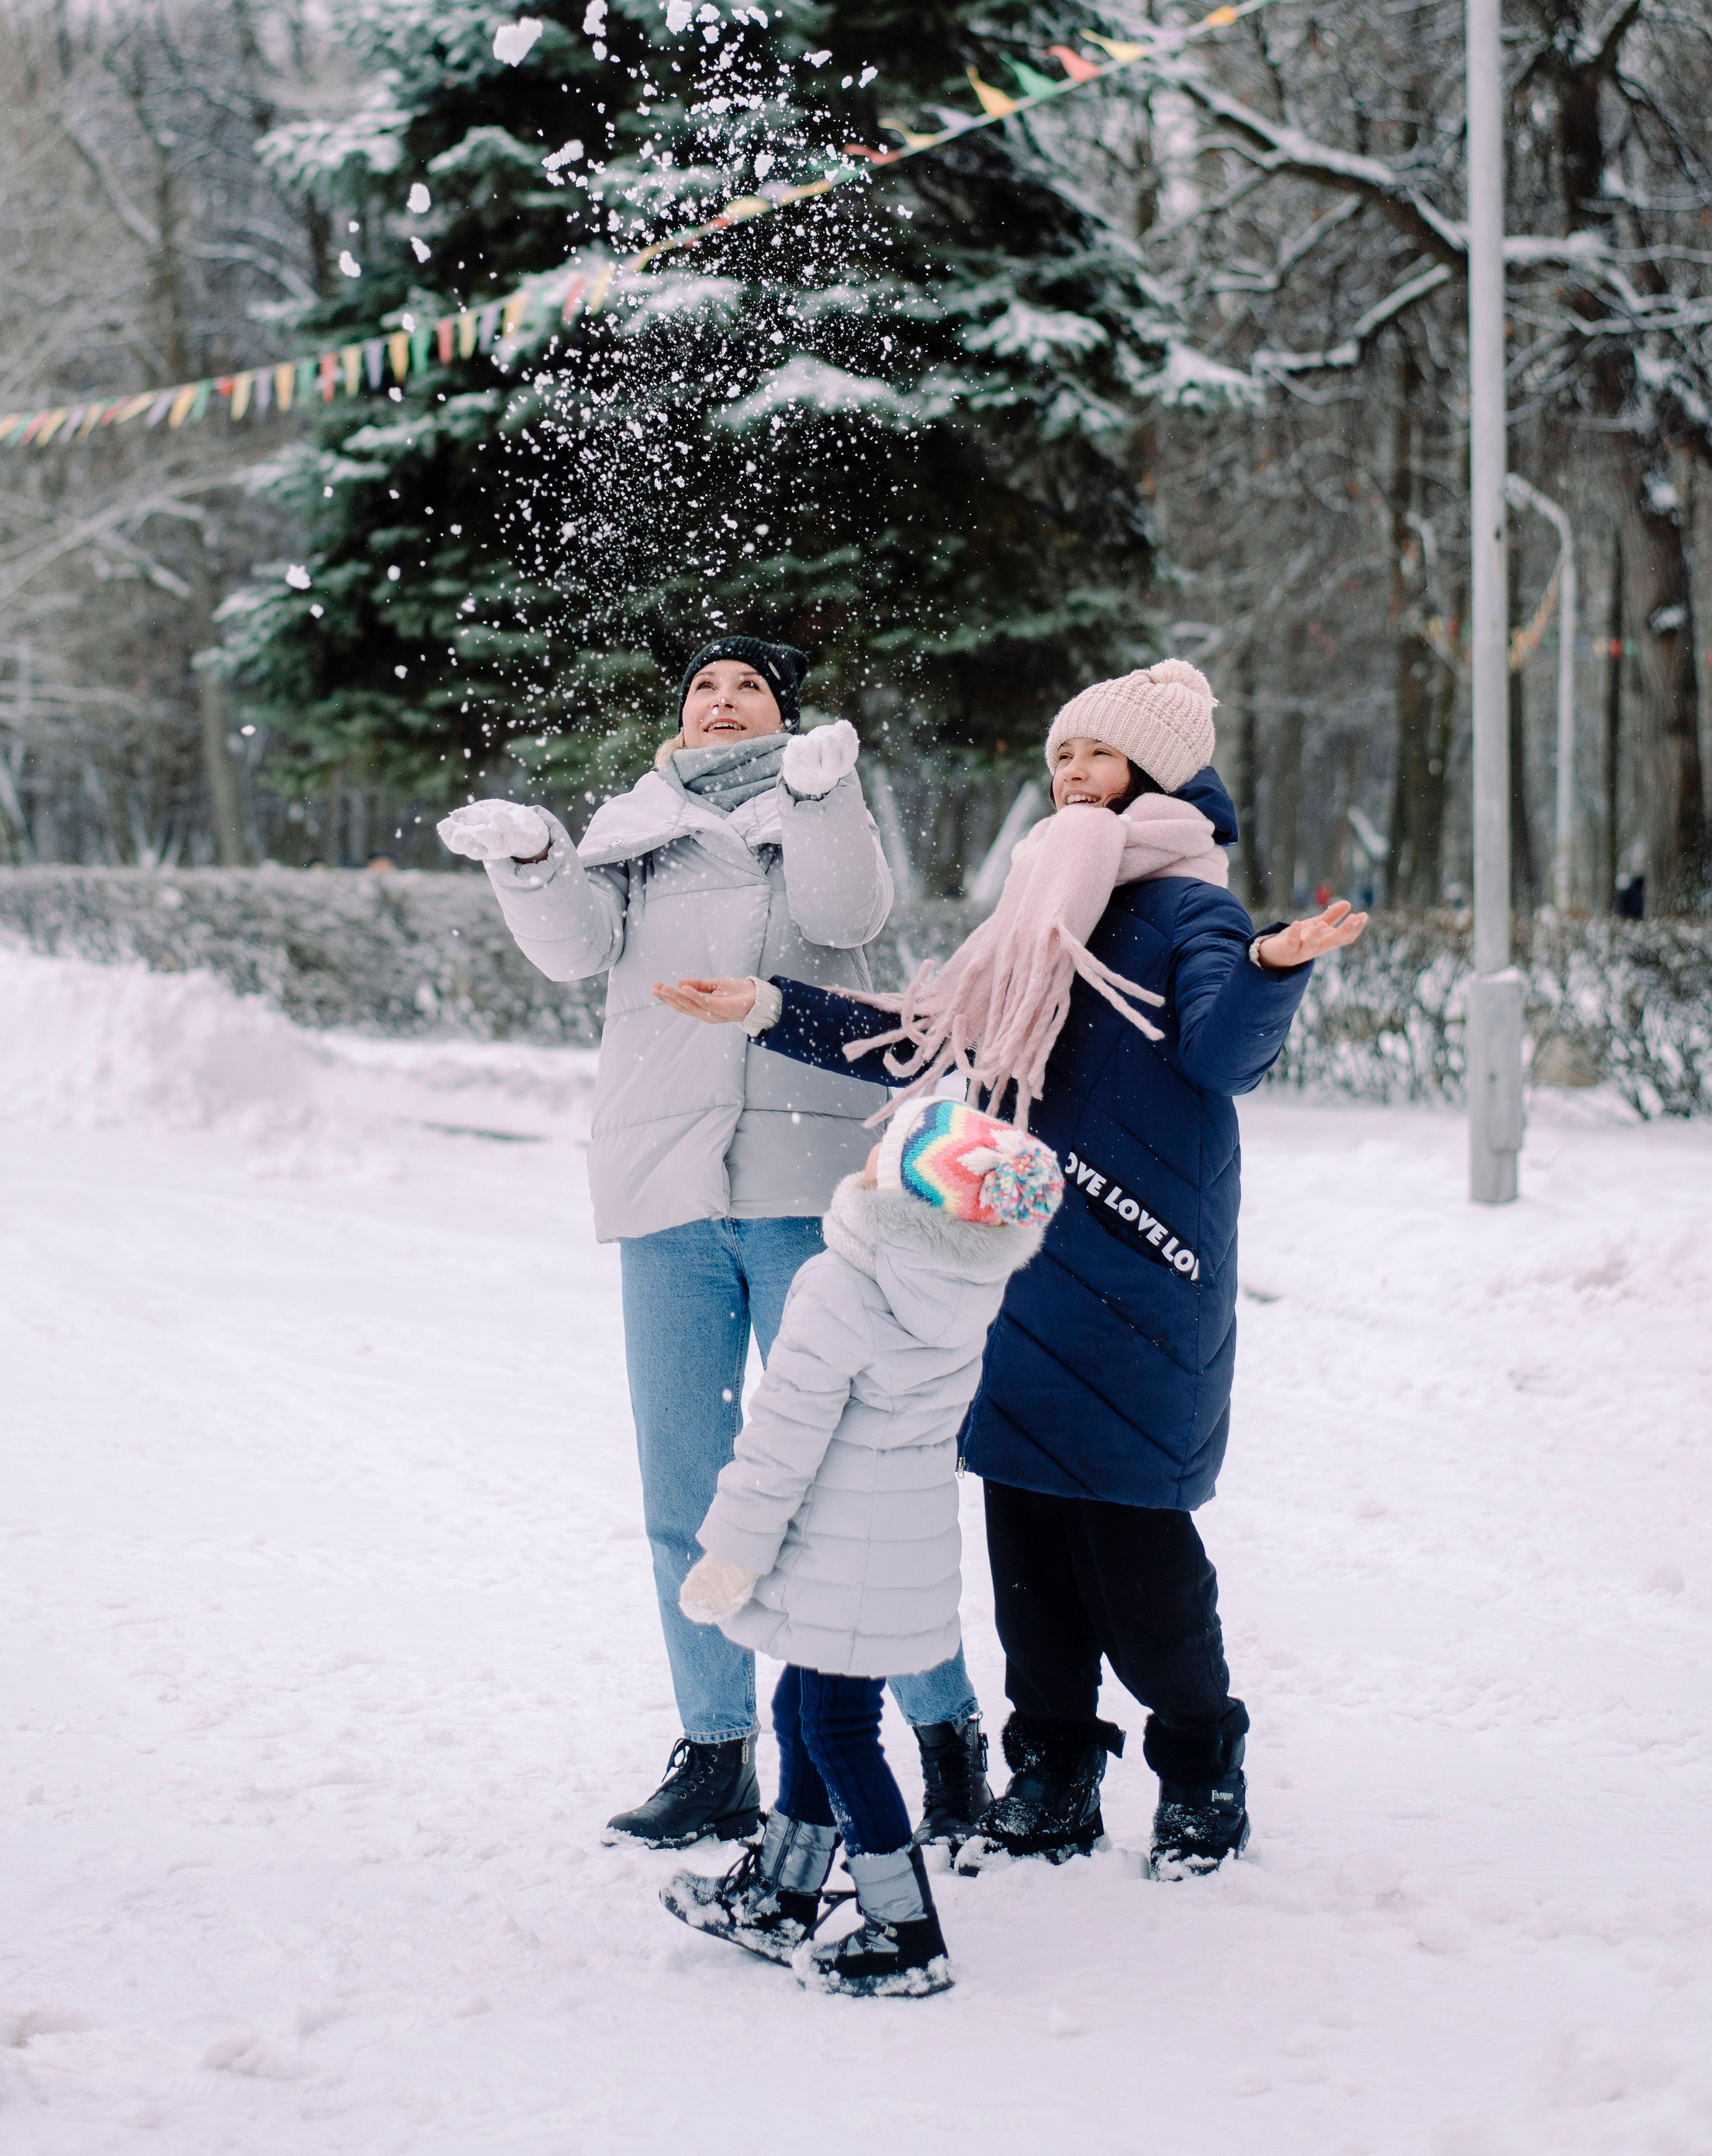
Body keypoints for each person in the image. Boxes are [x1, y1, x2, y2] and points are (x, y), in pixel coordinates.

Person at [656, 657, 1366, 1876]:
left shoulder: (1194, 911)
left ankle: (1199, 1767)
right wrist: (774, 1006)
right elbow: (923, 1039)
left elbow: (1221, 1055)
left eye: (1094, 755)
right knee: (1028, 1551)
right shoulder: (1039, 898)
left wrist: (1269, 971)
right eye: (1059, 758)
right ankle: (1052, 1770)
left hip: (1144, 1266)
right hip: (1017, 1259)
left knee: (1139, 1555)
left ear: (1158, 769)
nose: (1071, 774)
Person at [437, 638, 992, 1850]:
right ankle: (716, 1748)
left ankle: (945, 1730)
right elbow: (577, 949)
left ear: (786, 712)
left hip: (804, 1181)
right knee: (686, 1486)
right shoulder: (632, 831)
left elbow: (851, 912)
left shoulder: (819, 801)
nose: (721, 698)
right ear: (678, 717)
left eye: (748, 685)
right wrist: (532, 857)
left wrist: (820, 789)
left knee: (853, 1477)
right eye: (703, 685)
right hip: (665, 1192)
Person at [662, 1095, 1064, 1996]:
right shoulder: (961, 1289)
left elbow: (780, 1439)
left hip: (839, 1552)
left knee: (837, 1732)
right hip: (898, 1551)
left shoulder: (841, 1284)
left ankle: (905, 1931)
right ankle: (779, 1893)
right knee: (813, 1707)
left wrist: (730, 1555)